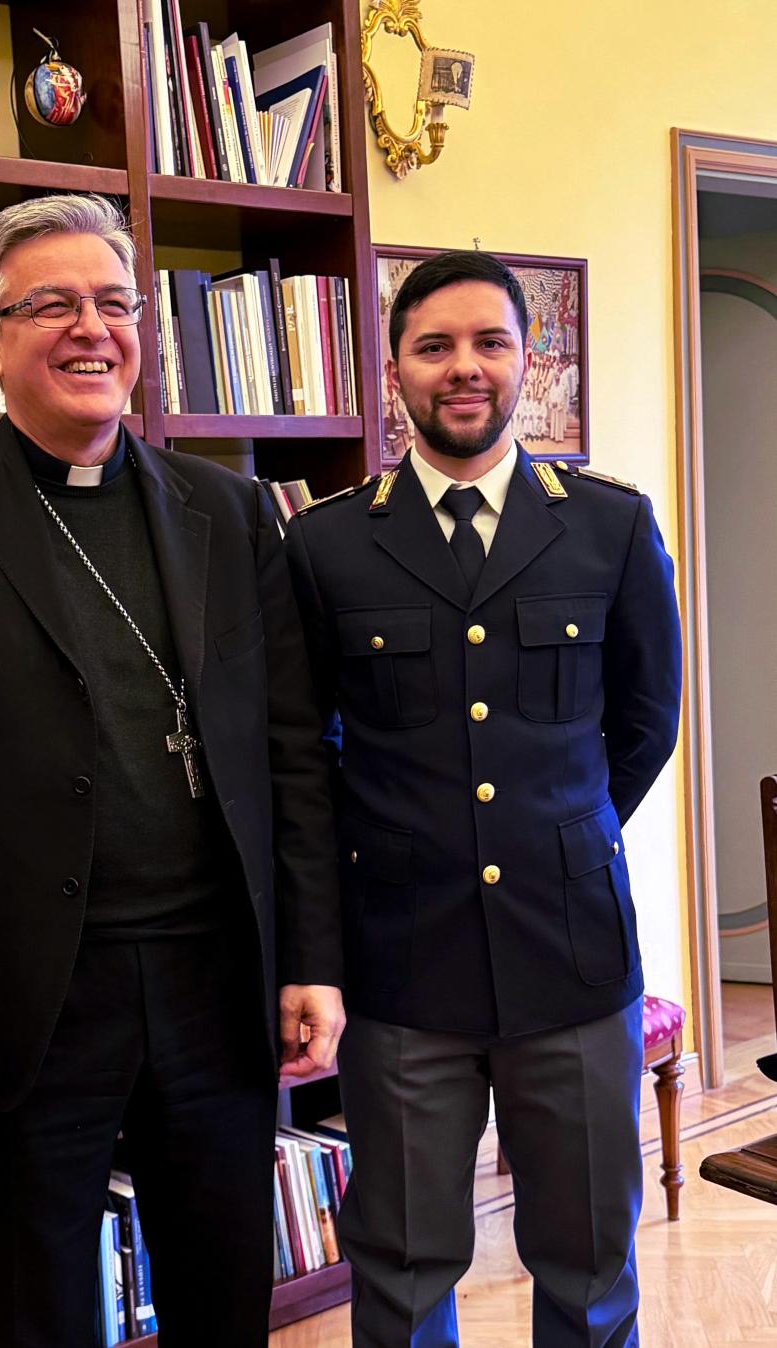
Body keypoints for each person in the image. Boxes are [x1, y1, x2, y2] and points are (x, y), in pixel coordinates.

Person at [0, 193, 344, 1348]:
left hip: (213, 981)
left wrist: (312, 958)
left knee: (223, 1299)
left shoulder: (229, 509)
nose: (92, 328)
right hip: (26, 993)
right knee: (29, 1309)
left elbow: (292, 752)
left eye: (115, 303)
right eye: (53, 304)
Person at [285, 249, 681, 1347]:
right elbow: (305, 756)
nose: (464, 366)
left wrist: (560, 833)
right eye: (434, 345)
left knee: (590, 1268)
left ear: (527, 360)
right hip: (403, 963)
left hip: (573, 953)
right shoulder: (326, 543)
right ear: (394, 372)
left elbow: (645, 723)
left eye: (490, 342)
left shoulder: (608, 524)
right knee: (403, 1273)